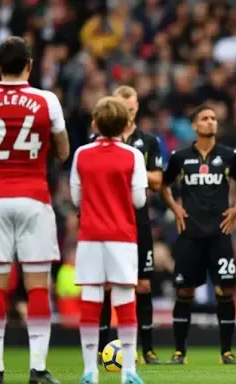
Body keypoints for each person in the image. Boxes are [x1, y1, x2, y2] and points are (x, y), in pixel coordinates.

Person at [0, 36, 69, 384]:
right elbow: (63, 150)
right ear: (29, 65)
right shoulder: (46, 100)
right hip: (35, 197)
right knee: (38, 286)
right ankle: (37, 369)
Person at [160, 104, 236, 364]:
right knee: (184, 292)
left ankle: (227, 352)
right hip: (190, 234)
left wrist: (235, 211)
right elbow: (163, 186)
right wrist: (175, 208)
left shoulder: (230, 156)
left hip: (220, 234)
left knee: (226, 290)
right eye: (205, 118)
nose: (211, 122)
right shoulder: (180, 157)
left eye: (213, 118)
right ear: (195, 125)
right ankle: (179, 352)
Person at [70, 96, 148, 384]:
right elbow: (139, 200)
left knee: (91, 300)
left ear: (94, 123)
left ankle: (90, 370)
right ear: (127, 125)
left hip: (90, 235)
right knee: (125, 300)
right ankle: (129, 371)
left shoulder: (81, 154)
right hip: (122, 236)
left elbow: (76, 198)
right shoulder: (133, 156)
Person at [91, 86, 163, 365]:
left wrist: (124, 168)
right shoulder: (97, 140)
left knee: (143, 285)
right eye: (122, 108)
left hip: (138, 218)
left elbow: (157, 181)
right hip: (108, 216)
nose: (127, 113)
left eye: (131, 108)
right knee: (108, 285)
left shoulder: (148, 141)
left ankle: (148, 349)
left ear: (137, 107)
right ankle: (101, 347)